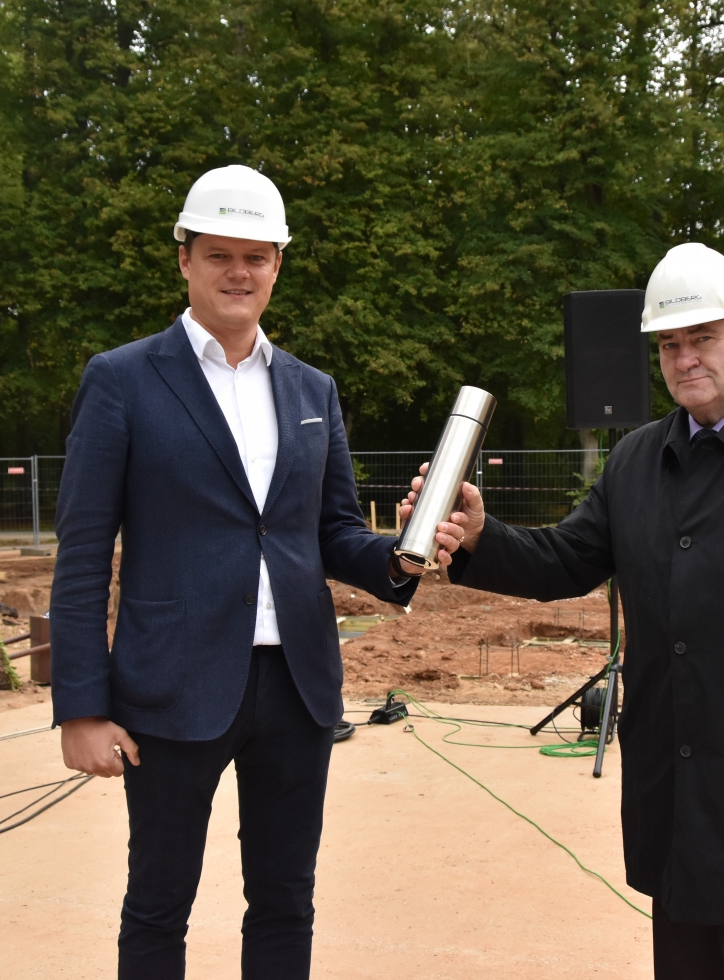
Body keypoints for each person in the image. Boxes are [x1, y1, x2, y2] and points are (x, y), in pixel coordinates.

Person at [405, 243, 724, 980]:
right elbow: (565, 559)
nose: (684, 357)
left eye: (703, 337)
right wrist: (480, 537)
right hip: (678, 785)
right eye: (669, 344)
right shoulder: (638, 459)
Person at [49, 165, 446, 980]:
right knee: (157, 906)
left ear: (277, 265)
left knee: (285, 903)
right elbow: (83, 553)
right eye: (220, 255)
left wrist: (404, 554)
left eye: (256, 257)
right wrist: (81, 708)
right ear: (184, 259)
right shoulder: (122, 379)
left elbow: (331, 531)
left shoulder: (310, 388)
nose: (239, 273)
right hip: (170, 688)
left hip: (296, 689)